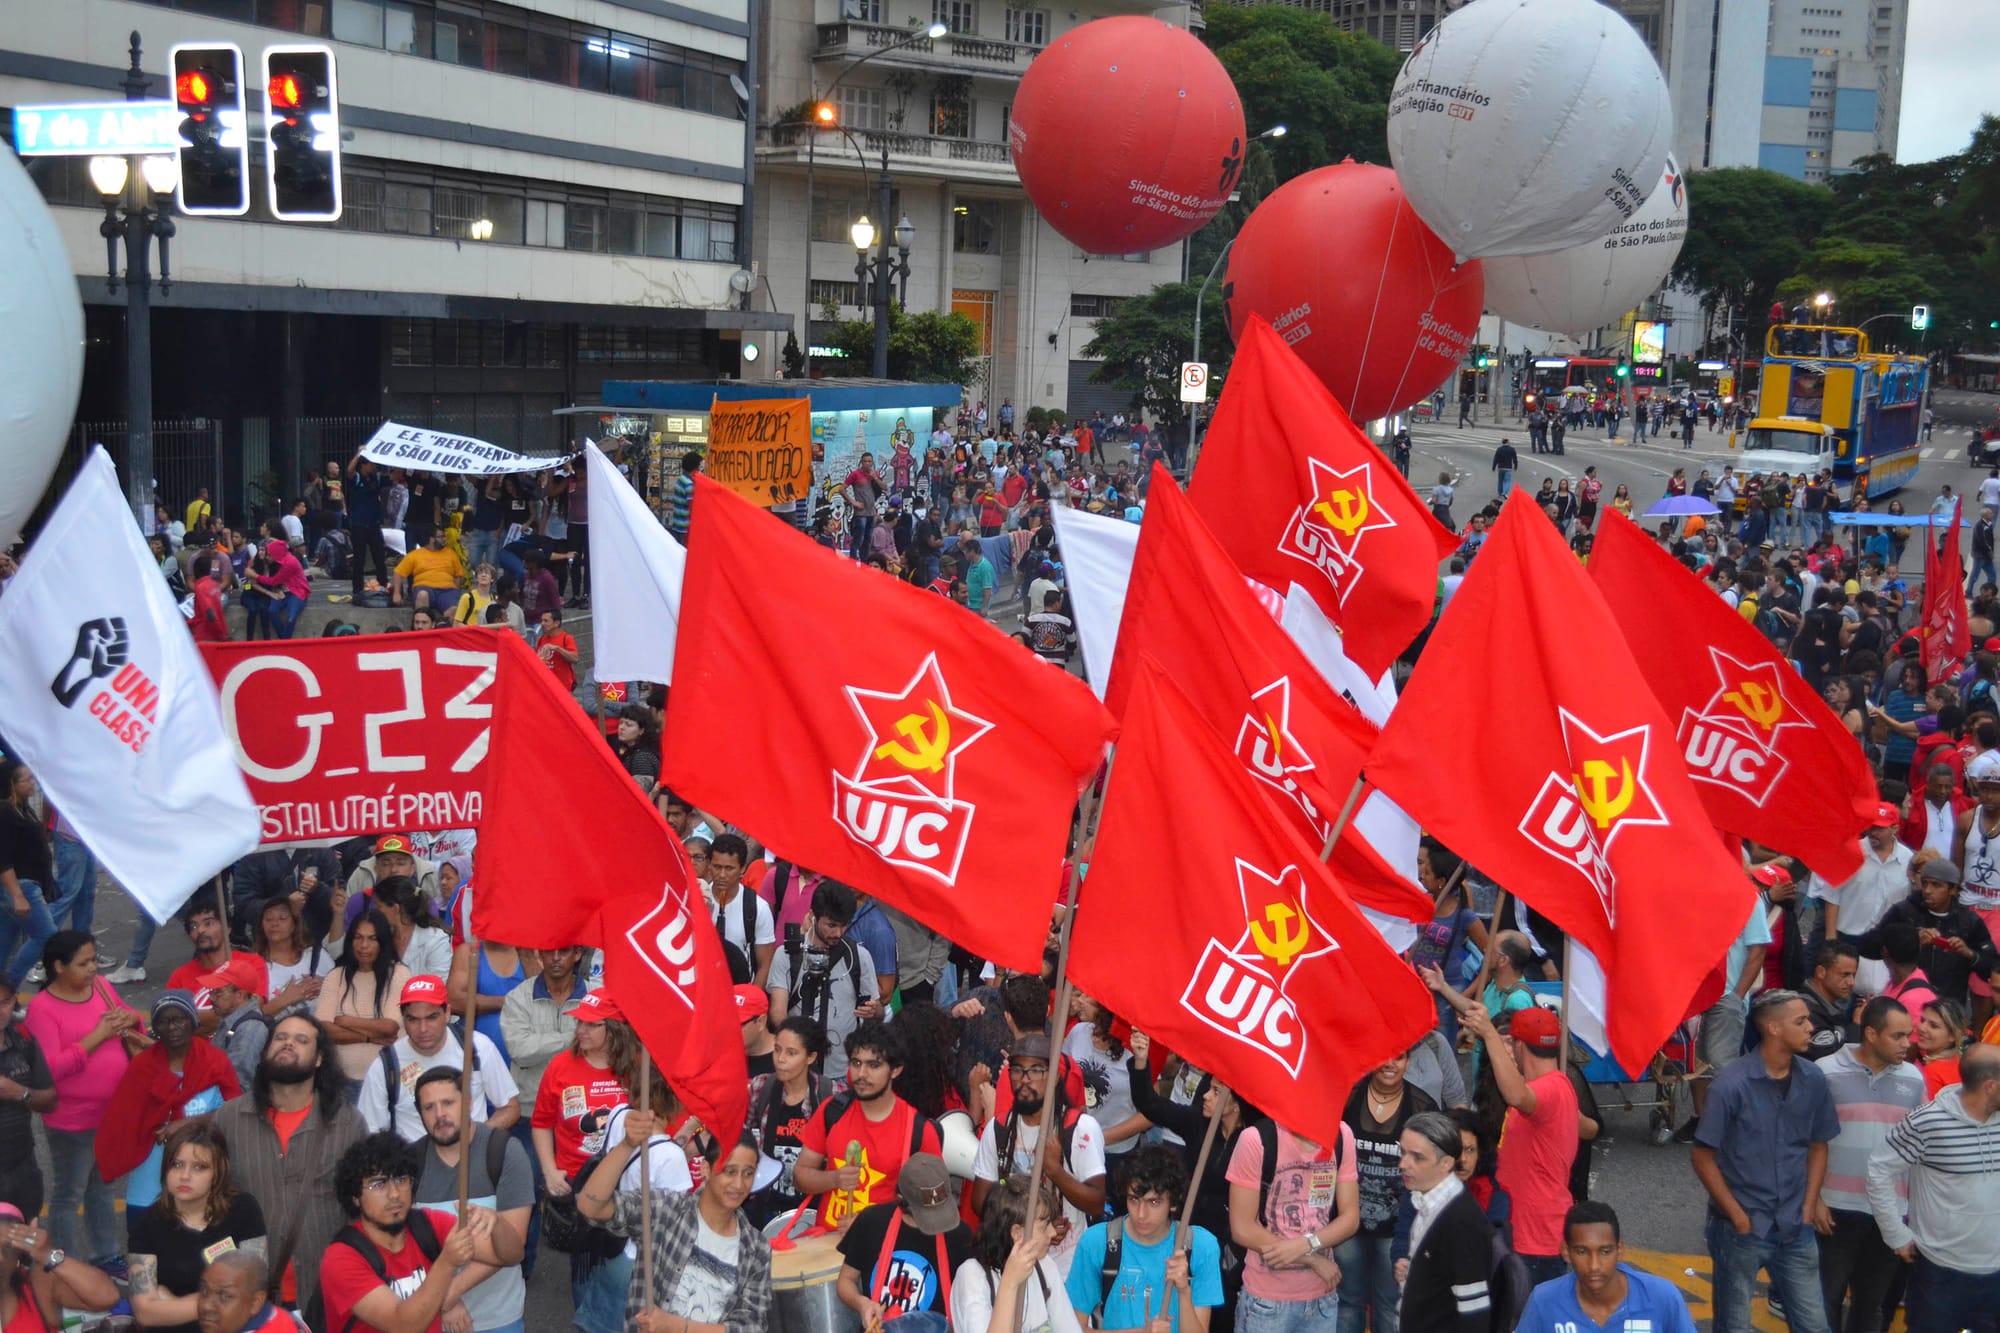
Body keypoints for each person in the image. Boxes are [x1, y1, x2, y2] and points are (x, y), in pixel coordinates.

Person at [1692, 990, 1840, 1333]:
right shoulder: (1730, 1085)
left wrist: (1808, 1205)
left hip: (1794, 1225)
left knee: (1815, 1325)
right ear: (1773, 1028)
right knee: (1734, 1326)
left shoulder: (1813, 1079)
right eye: (1800, 1021)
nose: (1810, 1028)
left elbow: (1819, 1146)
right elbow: (1702, 1156)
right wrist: (1738, 1216)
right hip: (1741, 1229)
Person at [215, 1014, 369, 1312]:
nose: (288, 1044)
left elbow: (363, 1209)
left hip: (327, 1295)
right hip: (250, 1297)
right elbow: (212, 1205)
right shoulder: (228, 1119)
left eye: (302, 1040)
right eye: (281, 1037)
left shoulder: (348, 1123)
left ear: (320, 1059)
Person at [576, 1115, 773, 1333]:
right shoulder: (666, 1210)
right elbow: (591, 1206)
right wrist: (627, 1145)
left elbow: (752, 1326)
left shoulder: (757, 1248)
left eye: (748, 1173)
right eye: (729, 1171)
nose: (739, 1184)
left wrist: (678, 1327)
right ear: (706, 1169)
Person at [24, 931, 142, 1276]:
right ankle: (66, 1265)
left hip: (112, 1113)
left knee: (102, 1187)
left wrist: (129, 1019)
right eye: (83, 963)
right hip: (72, 1122)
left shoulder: (102, 987)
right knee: (68, 1194)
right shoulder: (42, 1009)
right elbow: (49, 1069)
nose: (93, 968)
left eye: (93, 960)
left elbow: (128, 1014)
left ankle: (106, 1254)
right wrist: (96, 1038)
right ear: (58, 967)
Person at [316, 1131, 516, 1333]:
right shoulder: (341, 1258)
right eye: (379, 1184)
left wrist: (498, 1224)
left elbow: (510, 1255)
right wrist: (446, 1262)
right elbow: (404, 1326)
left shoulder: (427, 1223)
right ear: (354, 1197)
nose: (394, 1194)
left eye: (401, 1179)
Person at [1864, 1041, 2000, 1332]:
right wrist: (1895, 1234)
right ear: (1990, 1085)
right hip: (1940, 1274)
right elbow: (1879, 1169)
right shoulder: (1927, 1122)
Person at [1814, 997, 1925, 1333]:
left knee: (1870, 1305)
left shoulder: (1914, 1079)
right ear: (1872, 1034)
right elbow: (1808, 1142)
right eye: (1898, 1036)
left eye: (1909, 1035)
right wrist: (1814, 1200)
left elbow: (1920, 1146)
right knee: (1825, 1301)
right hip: (1834, 1209)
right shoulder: (1826, 1072)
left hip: (1889, 1213)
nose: (1907, 1044)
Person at [410, 1069, 535, 1333]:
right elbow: (405, 1246)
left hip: (498, 1316)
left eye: (448, 1103)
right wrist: (442, 1303)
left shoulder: (504, 1151)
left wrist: (451, 1293)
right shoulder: (411, 1162)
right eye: (429, 1107)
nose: (439, 1115)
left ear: (468, 1103)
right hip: (428, 1317)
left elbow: (513, 1247)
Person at [1460, 1005, 1577, 1285]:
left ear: (1519, 1045)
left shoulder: (1547, 1090)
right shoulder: (1557, 1087)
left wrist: (1489, 1032)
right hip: (1528, 1232)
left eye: (1511, 1042)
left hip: (1535, 1240)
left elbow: (1514, 1095)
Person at [970, 1033, 1106, 1274]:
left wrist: (1055, 1171)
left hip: (1067, 1271)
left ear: (1054, 1077)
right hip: (1013, 1263)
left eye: (1036, 1070)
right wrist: (1032, 1223)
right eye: (1017, 1070)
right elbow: (980, 1203)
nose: (1025, 1080)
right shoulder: (998, 1129)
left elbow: (1096, 1203)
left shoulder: (1080, 1128)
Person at [97, 992, 242, 1213]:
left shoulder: (215, 1062)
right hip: (151, 1172)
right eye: (164, 1021)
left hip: (203, 1174)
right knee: (145, 1239)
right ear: (155, 1027)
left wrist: (187, 1124)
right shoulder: (142, 1067)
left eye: (179, 1019)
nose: (172, 1027)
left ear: (192, 1022)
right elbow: (123, 1119)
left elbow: (236, 1112)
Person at [794, 1021, 943, 1231]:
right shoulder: (833, 1110)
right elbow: (800, 1175)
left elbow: (936, 1204)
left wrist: (872, 1225)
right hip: (826, 1247)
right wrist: (834, 1178)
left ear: (896, 1070)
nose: (861, 1074)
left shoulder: (919, 1131)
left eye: (874, 1065)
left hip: (884, 1254)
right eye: (856, 1063)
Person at [126, 1122, 267, 1333]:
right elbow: (145, 1313)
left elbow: (254, 1292)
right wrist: (225, 1299)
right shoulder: (147, 1225)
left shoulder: (244, 1210)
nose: (185, 1176)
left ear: (219, 1171)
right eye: (177, 1164)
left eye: (199, 1167)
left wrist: (170, 1302)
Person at [1067, 1146, 1225, 1332]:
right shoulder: (1096, 1242)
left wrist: (1183, 1291)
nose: (1141, 1214)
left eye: (1154, 1202)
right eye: (1134, 1199)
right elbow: (1071, 1328)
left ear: (1173, 1203)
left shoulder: (1200, 1246)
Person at [1225, 1111, 1355, 1333]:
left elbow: (1350, 1218)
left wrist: (1308, 1244)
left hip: (1322, 1297)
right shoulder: (1257, 1139)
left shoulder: (1341, 1135)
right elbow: (1242, 1228)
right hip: (1266, 1302)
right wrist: (1311, 1259)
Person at [1337, 1051, 1437, 1333]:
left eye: (1400, 1057)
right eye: (1384, 1055)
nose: (1391, 1063)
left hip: (1397, 1230)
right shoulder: (1348, 1094)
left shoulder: (1422, 1107)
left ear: (1408, 1062)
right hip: (1346, 1223)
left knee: (1389, 1304)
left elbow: (1434, 1171)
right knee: (1347, 1301)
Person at [356, 975, 518, 1144]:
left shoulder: (477, 1046)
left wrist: (474, 1140)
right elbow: (371, 1130)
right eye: (413, 1019)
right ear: (403, 1018)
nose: (423, 1028)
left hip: (471, 1160)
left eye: (431, 1017)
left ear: (447, 1013)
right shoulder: (386, 1065)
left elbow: (510, 1108)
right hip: (415, 1165)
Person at [836, 1153, 974, 1329]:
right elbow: (845, 1280)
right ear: (903, 1200)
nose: (937, 1223)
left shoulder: (960, 1235)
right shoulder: (872, 1222)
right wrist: (861, 1303)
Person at [1514, 1202, 1698, 1333]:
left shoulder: (1663, 1297)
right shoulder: (1544, 1301)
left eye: (1605, 1252)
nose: (1594, 1266)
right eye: (1582, 1251)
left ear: (1619, 1250)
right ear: (1566, 1252)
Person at [1395, 1111, 1501, 1333]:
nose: (1404, 1164)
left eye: (1418, 1157)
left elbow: (1475, 1312)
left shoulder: (1460, 1220)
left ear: (1446, 1163)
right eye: (1402, 1152)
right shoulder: (1426, 1202)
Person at [768, 881, 882, 1082]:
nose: (838, 933)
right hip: (798, 1072)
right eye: (831, 925)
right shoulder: (787, 955)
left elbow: (878, 1012)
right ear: (812, 916)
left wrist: (874, 1011)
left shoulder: (859, 957)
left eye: (843, 925)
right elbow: (778, 1015)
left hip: (843, 1072)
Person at [530, 990, 634, 1204]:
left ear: (615, 1028)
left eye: (591, 1024)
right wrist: (550, 1172)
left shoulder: (636, 1069)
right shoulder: (560, 1066)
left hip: (626, 1184)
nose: (581, 1030)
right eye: (579, 1022)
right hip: (572, 1184)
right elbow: (541, 1123)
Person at [950, 1177, 1082, 1333]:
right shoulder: (973, 1276)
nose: (1052, 1233)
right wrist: (1009, 1283)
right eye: (1044, 1225)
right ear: (1017, 1233)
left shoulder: (1045, 1266)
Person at [744, 1016, 831, 1227]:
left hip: (812, 1209)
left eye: (791, 1053)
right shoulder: (760, 1086)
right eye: (777, 1049)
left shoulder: (830, 1095)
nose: (781, 1059)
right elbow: (744, 1137)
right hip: (764, 1207)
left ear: (811, 1057)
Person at [315, 909, 410, 1098]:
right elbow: (323, 1030)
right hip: (341, 1081)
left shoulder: (399, 974)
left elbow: (389, 1027)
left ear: (382, 942)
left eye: (372, 939)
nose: (363, 945)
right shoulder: (336, 976)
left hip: (388, 1079)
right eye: (358, 937)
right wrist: (369, 1038)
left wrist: (344, 1021)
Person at [499, 945, 594, 1113]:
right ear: (539, 954)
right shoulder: (518, 997)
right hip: (530, 1108)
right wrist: (573, 1036)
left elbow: (605, 1049)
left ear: (577, 954)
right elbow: (519, 1050)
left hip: (584, 1107)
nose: (556, 958)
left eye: (564, 951)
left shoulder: (594, 997)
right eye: (550, 951)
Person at [0, 1202, 120, 1330]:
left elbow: (108, 1297)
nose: (0, 1258)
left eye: (8, 1248)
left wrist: (49, 1255)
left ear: (19, 1253)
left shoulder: (38, 1284)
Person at [0, 976, 54, 1222]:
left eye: (5, 1002)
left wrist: (18, 1092)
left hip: (22, 1166)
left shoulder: (24, 1039)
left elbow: (50, 1101)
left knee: (27, 1247)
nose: (0, 1011)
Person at [0, 762, 56, 990]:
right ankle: (9, 990)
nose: (32, 783)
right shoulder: (5, 812)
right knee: (46, 935)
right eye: (26, 780)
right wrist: (17, 895)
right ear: (12, 785)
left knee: (5, 943)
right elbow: (3, 859)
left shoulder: (21, 807)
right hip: (20, 886)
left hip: (26, 884)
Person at [704, 835, 774, 986]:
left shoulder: (757, 908)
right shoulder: (698, 901)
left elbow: (765, 965)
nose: (722, 875)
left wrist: (750, 1002)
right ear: (709, 865)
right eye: (717, 867)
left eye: (729, 868)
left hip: (741, 992)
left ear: (742, 868)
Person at [198, 956, 274, 1090]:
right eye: (211, 992)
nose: (211, 998)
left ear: (240, 995)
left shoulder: (249, 1029)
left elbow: (237, 1084)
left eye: (218, 992)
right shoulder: (230, 1020)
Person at [196, 1250, 307, 1333]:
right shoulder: (278, 1315)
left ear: (256, 1302)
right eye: (204, 1291)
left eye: (225, 1296)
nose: (206, 1306)